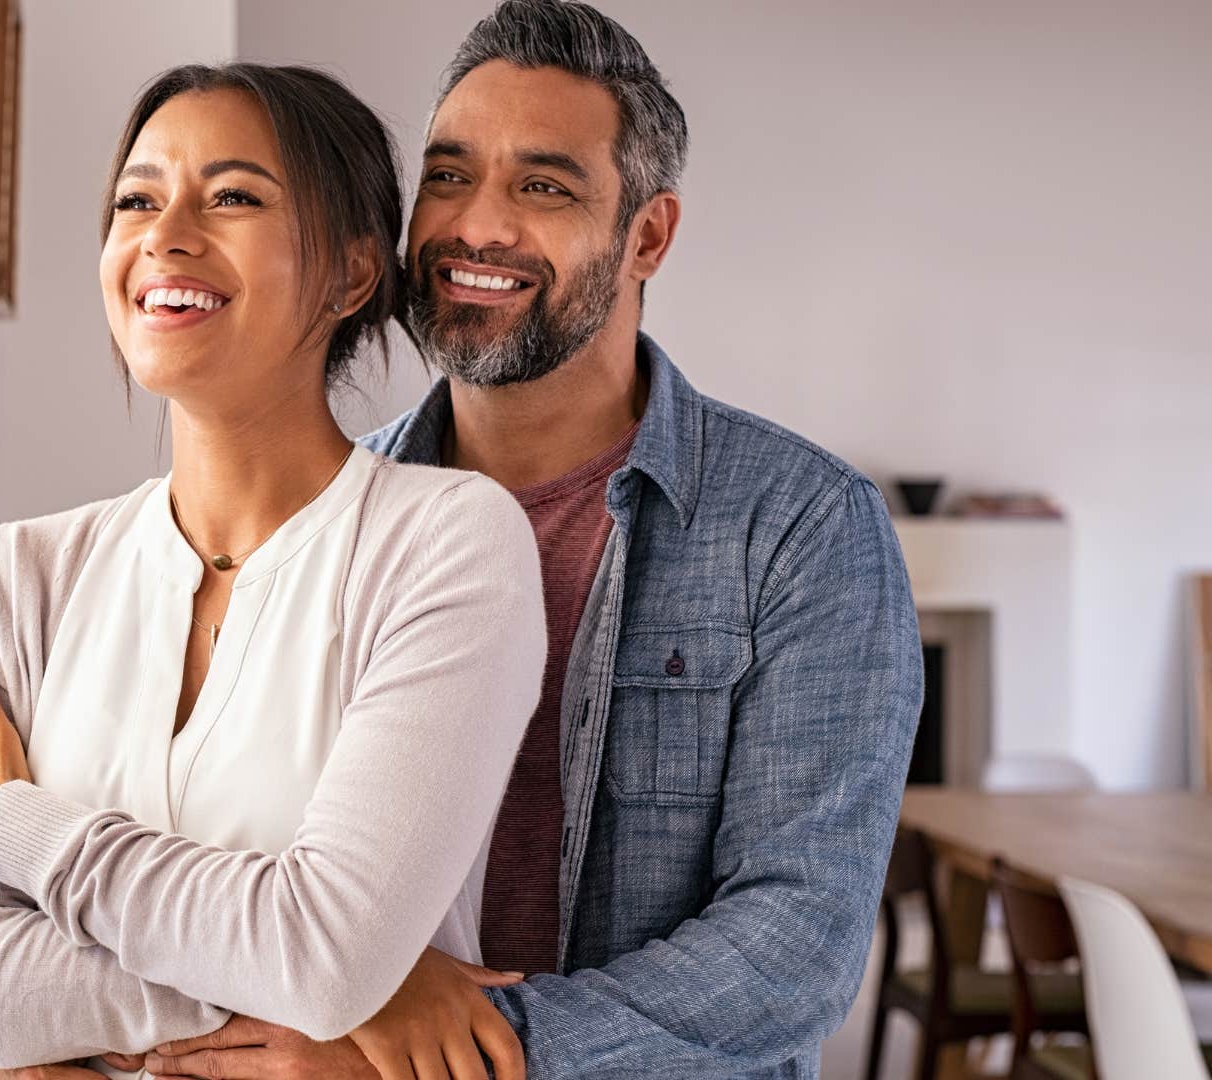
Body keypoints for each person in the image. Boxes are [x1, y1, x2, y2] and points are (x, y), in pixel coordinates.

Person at [133, 2, 924, 1077]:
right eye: (449, 177)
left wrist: (468, 1054)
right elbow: (214, 855)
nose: (477, 226)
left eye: (543, 187)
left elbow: (795, 947)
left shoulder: (800, 528)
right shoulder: (317, 512)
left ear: (647, 235)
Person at [0, 63, 549, 1080]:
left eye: (232, 196)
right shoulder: (15, 581)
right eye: (136, 200)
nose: (165, 234)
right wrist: (354, 983)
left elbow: (325, 953)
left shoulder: (448, 546)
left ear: (352, 275)